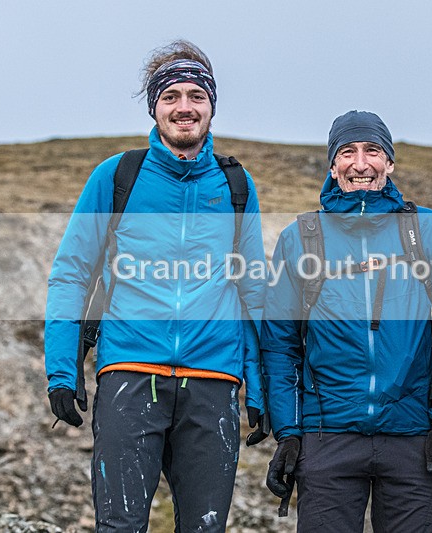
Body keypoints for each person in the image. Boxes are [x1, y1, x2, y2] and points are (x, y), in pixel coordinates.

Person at [44, 40, 267, 531]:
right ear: (155, 107)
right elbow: (72, 274)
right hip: (129, 371)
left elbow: (253, 290)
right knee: (120, 525)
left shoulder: (235, 185)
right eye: (171, 97)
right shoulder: (117, 176)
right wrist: (62, 370)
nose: (184, 107)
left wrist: (260, 385)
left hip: (214, 380)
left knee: (205, 526)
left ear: (210, 106)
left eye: (195, 96)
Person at [260, 110, 432, 532]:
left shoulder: (429, 231)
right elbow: (281, 345)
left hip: (411, 439)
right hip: (326, 437)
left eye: (372, 151)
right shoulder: (300, 237)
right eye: (348, 152)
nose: (361, 164)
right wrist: (288, 430)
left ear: (389, 163)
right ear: (332, 165)